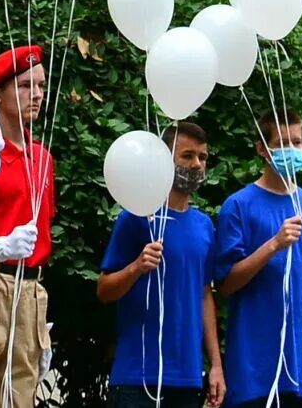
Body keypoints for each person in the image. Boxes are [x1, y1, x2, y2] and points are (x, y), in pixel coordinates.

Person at [215, 109, 302, 407]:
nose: (293, 150)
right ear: (262, 148)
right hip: (252, 373)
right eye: (283, 142)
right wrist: (273, 244)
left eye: (297, 143)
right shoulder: (237, 206)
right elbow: (226, 284)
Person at [98, 119, 225, 408]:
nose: (196, 165)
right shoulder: (135, 217)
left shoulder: (204, 226)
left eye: (202, 157)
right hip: (136, 376)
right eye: (187, 155)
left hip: (188, 377)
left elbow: (205, 294)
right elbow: (104, 290)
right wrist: (136, 267)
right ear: (164, 160)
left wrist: (215, 365)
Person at [0, 46, 55, 408]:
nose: (36, 95)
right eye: (25, 86)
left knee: (20, 399)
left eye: (40, 86)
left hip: (31, 291)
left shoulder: (43, 158)